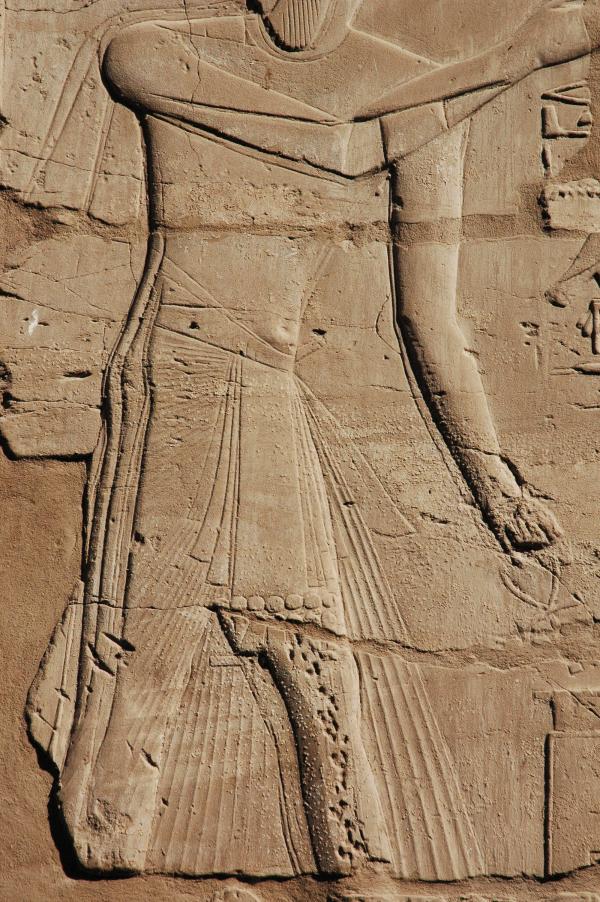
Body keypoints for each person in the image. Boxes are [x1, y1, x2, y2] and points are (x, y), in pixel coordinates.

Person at [27, 0, 589, 881]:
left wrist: (495, 485)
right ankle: (107, 827)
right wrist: (515, 58)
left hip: (268, 382)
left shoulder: (415, 96)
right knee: (147, 652)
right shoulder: (151, 53)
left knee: (309, 650)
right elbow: (338, 145)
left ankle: (356, 868)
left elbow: (430, 321)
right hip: (179, 372)